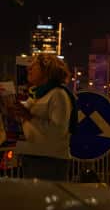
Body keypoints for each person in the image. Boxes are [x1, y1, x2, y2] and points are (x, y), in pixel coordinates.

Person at [12, 53, 76, 181]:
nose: (28, 69)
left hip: (50, 160)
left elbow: (57, 131)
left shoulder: (58, 94)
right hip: (32, 154)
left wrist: (29, 116)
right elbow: (26, 118)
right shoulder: (37, 94)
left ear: (47, 70)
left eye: (34, 66)